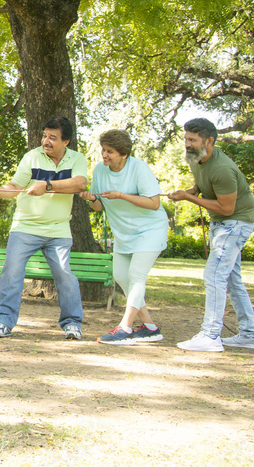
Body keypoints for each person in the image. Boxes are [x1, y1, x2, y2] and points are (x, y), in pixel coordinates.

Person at [0, 115, 88, 340]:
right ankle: (3, 323)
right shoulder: (32, 157)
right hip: (26, 228)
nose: (46, 141)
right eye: (44, 136)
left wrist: (47, 185)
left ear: (66, 142)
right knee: (12, 272)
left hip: (59, 230)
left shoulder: (77, 159)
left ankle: (72, 324)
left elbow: (79, 183)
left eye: (53, 138)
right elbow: (14, 186)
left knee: (64, 275)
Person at [168, 118, 254, 352]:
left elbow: (227, 208)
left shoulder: (223, 169)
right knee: (230, 279)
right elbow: (204, 182)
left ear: (209, 141)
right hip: (222, 223)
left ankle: (210, 336)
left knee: (214, 275)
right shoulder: (196, 158)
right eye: (186, 138)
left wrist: (188, 198)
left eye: (193, 139)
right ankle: (250, 335)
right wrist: (194, 189)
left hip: (235, 222)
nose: (187, 144)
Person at [78, 129, 167, 345]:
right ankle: (149, 327)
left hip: (150, 230)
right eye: (104, 150)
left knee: (136, 276)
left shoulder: (138, 168)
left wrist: (121, 195)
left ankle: (125, 328)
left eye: (110, 151)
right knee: (121, 276)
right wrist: (90, 198)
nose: (104, 155)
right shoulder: (100, 170)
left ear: (124, 154)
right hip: (124, 233)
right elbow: (98, 206)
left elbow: (154, 203)